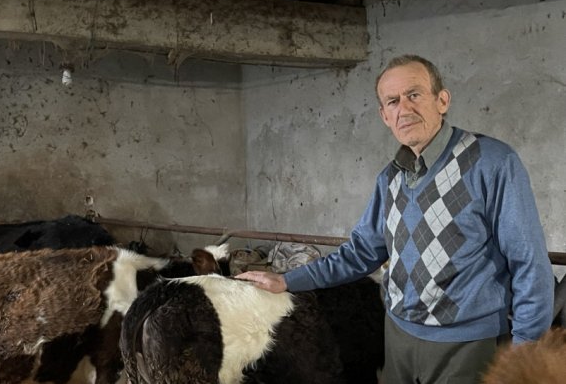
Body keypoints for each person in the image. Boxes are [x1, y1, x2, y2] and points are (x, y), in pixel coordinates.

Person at [236, 54, 554, 384]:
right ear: (385, 116)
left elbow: (529, 262)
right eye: (392, 101)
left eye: (414, 94)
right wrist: (287, 280)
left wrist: (524, 353)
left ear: (442, 100)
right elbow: (361, 253)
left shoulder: (492, 162)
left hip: (468, 344)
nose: (404, 108)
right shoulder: (390, 179)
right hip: (399, 336)